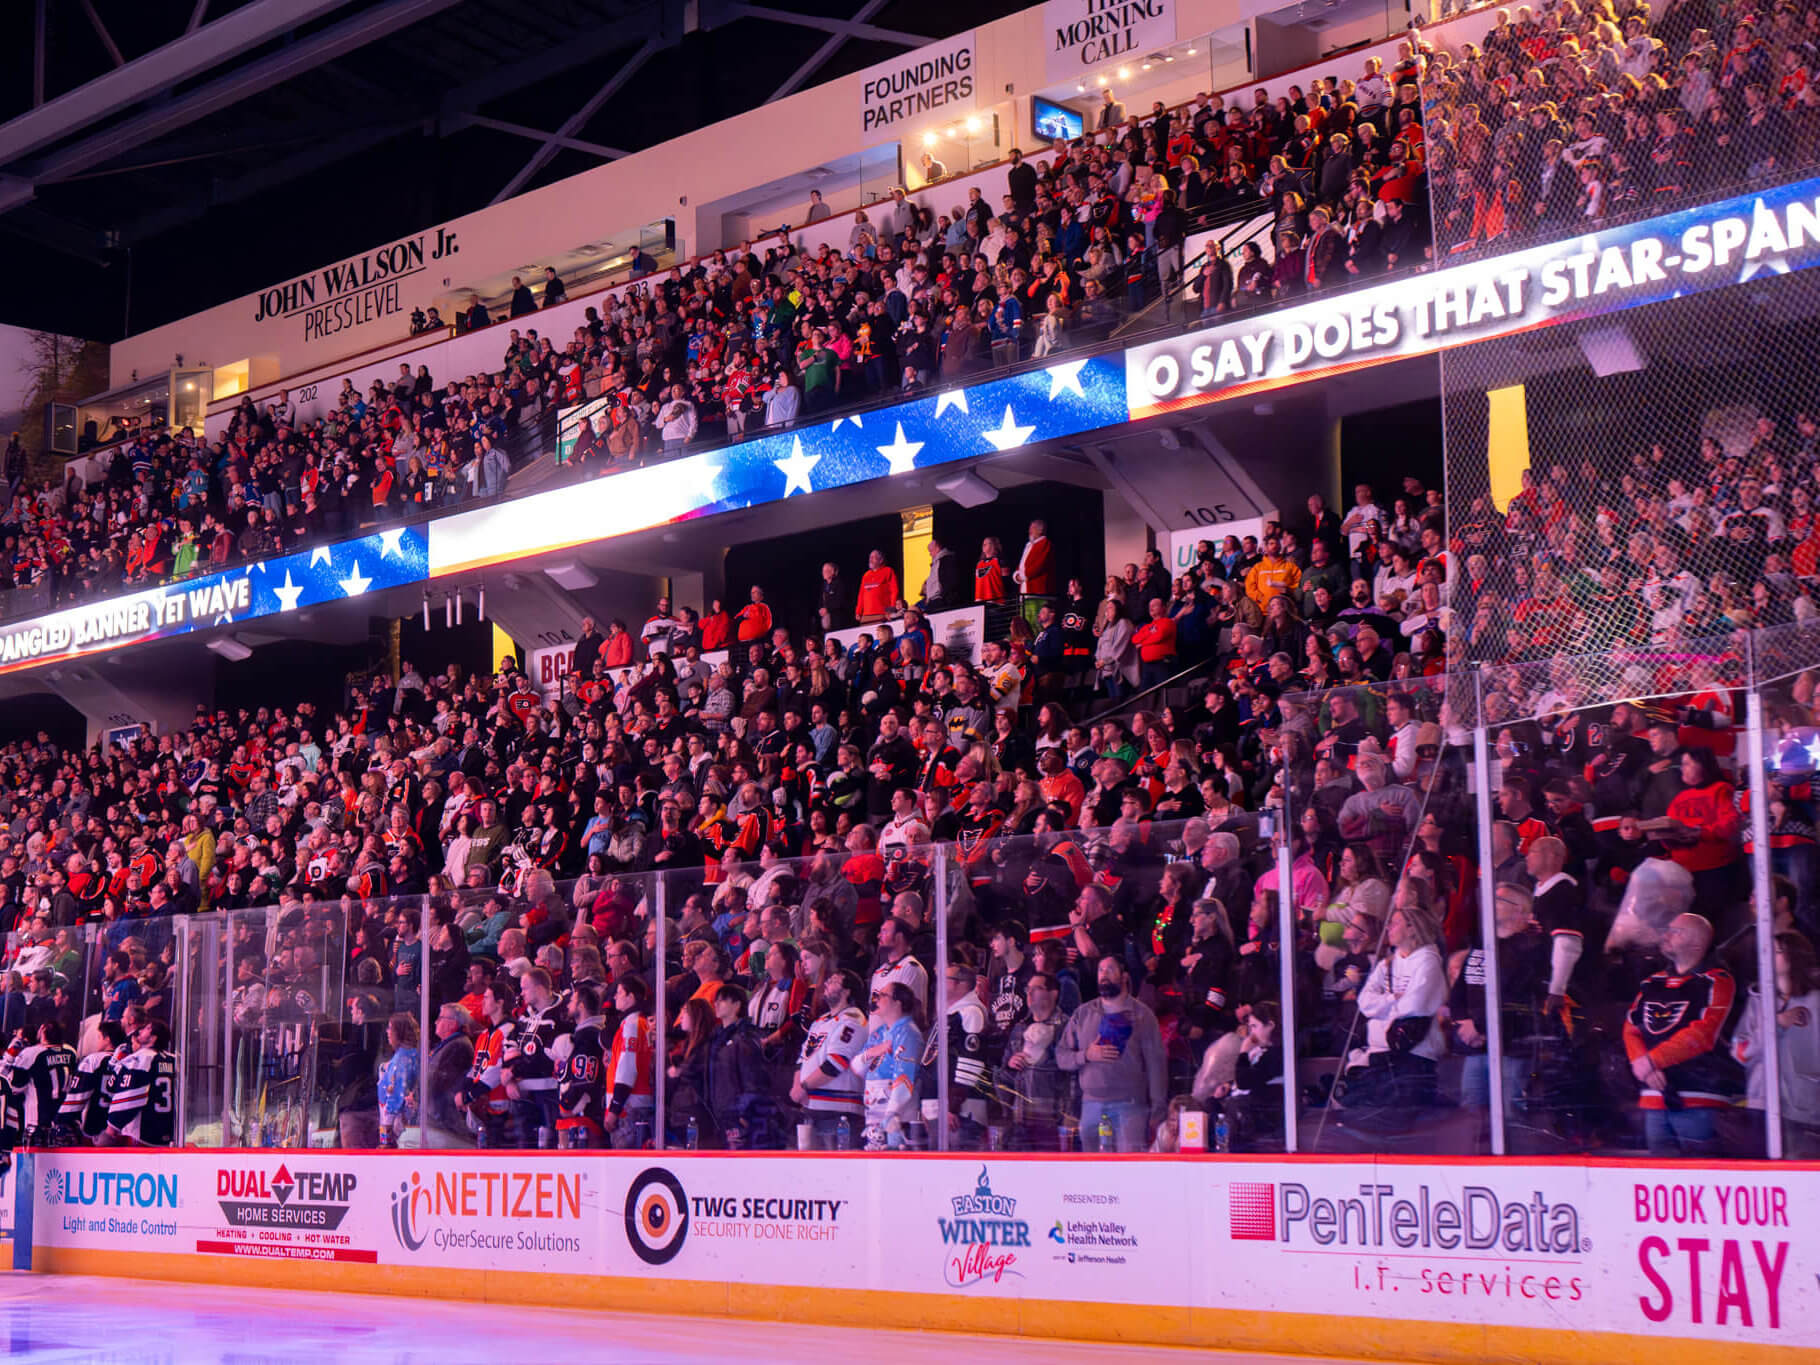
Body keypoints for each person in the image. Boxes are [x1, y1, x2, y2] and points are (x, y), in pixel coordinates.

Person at [1624, 913, 1738, 1155]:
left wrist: (1651, 1062)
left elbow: (1703, 1033)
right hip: (1654, 1096)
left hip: (1700, 1097)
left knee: (1702, 1173)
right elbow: (1631, 1027)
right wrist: (1642, 1064)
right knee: (1659, 1175)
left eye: (1676, 932)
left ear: (1697, 943)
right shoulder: (1651, 982)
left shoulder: (1717, 980)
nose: (1666, 936)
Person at [1056, 957, 1166, 1151]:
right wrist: (1086, 1055)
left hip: (1130, 1106)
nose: (1104, 974)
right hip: (1090, 1105)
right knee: (1093, 1167)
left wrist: (1158, 1108)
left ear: (1124, 977)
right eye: (1100, 970)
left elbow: (1156, 1064)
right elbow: (1061, 1056)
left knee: (1128, 1166)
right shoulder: (1083, 1013)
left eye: (1110, 969)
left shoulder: (1142, 1015)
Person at [1732, 931, 1820, 1157]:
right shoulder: (1757, 1000)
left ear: (1794, 955)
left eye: (1776, 951)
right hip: (1762, 1104)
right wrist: (1775, 1024)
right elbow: (1740, 1052)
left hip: (1807, 1107)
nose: (1768, 955)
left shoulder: (1815, 1001)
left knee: (1802, 1171)